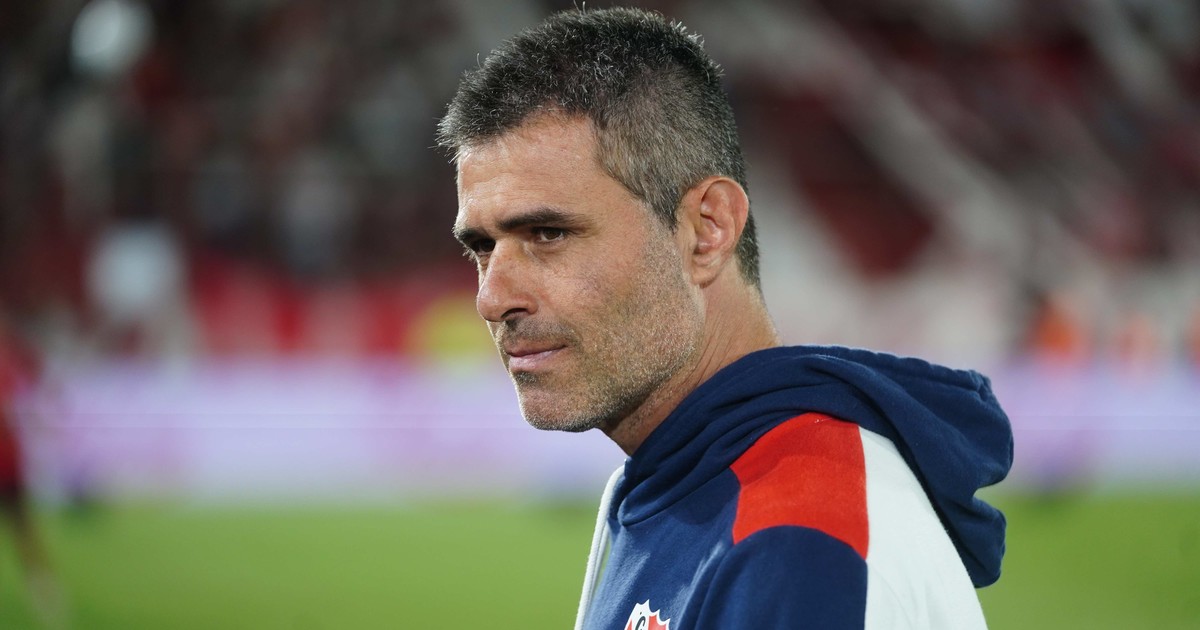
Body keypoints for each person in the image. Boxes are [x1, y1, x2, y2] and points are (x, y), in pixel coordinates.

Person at [438, 7, 1012, 629]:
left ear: (707, 231)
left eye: (548, 233)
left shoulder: (799, 546)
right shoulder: (681, 479)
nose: (491, 299)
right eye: (482, 247)